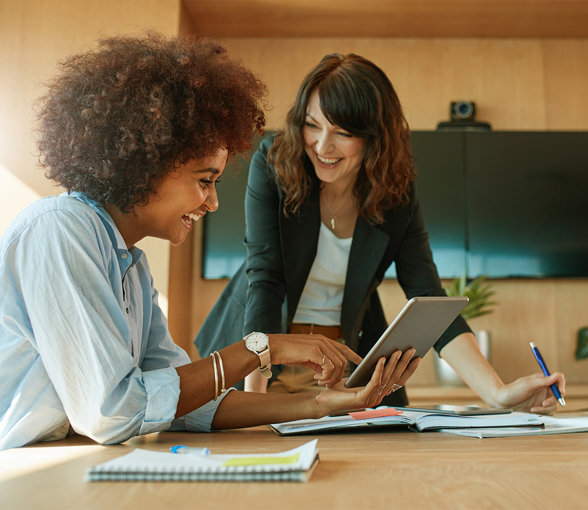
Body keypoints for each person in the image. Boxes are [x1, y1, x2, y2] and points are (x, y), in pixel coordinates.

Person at [0, 35, 417, 452]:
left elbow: (187, 405)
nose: (213, 202)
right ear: (147, 164)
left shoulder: (132, 267)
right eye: (205, 181)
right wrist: (261, 348)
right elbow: (114, 412)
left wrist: (318, 404)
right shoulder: (60, 230)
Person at [196, 53, 566, 413]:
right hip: (259, 360)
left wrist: (498, 394)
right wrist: (254, 399)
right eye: (312, 125)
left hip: (340, 369)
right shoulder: (275, 162)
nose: (323, 146)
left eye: (342, 132)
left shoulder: (394, 194)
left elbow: (428, 296)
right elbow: (266, 278)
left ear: (374, 137)